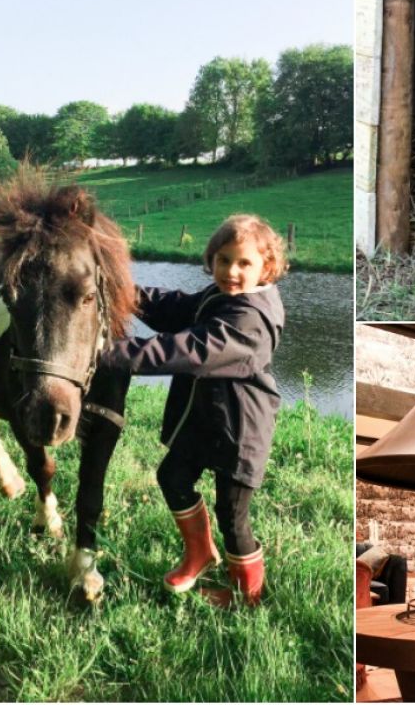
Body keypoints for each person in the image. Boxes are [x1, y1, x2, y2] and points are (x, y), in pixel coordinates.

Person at [101, 214, 286, 607]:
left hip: (240, 430)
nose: (231, 271)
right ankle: (200, 553)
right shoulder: (222, 297)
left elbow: (183, 350)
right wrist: (122, 291)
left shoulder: (250, 320)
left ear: (267, 268)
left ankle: (246, 596)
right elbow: (176, 307)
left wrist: (105, 355)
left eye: (244, 263)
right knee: (172, 475)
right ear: (211, 259)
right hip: (208, 421)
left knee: (232, 514)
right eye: (223, 260)